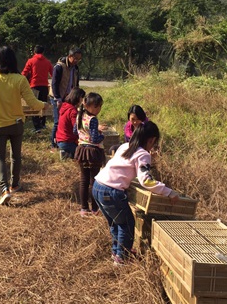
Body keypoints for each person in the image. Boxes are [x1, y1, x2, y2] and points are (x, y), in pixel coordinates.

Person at [92, 122, 179, 266]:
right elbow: (146, 181)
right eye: (154, 143)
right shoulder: (143, 154)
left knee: (115, 222)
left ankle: (117, 251)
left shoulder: (125, 146)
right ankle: (121, 259)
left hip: (98, 186)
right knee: (126, 224)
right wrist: (169, 192)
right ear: (151, 140)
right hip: (111, 191)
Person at [0, 46, 48, 205]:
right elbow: (32, 103)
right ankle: (15, 184)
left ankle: (4, 189)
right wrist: (43, 105)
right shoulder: (20, 79)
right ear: (14, 60)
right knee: (16, 156)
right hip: (17, 124)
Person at [73, 92, 106, 216]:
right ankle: (95, 208)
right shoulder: (93, 119)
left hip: (81, 150)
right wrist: (101, 135)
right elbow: (94, 139)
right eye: (96, 106)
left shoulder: (79, 115)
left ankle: (83, 208)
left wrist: (88, 133)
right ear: (87, 106)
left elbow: (75, 130)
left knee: (84, 180)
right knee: (94, 181)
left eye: (100, 106)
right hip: (93, 153)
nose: (98, 109)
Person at [49, 47, 82, 150]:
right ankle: (53, 143)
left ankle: (63, 141)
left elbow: (76, 83)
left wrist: (76, 97)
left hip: (69, 98)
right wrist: (58, 98)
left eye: (79, 59)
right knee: (57, 121)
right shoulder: (59, 67)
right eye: (75, 58)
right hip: (57, 97)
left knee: (66, 121)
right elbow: (54, 84)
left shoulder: (75, 68)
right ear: (69, 56)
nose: (77, 61)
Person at [21, 45, 53, 133]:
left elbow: (24, 73)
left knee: (34, 105)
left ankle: (37, 127)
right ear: (43, 52)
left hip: (34, 85)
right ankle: (43, 124)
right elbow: (53, 74)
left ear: (34, 52)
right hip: (44, 85)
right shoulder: (47, 62)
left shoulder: (31, 61)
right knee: (44, 105)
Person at [56, 87, 86, 160]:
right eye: (82, 98)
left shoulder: (65, 106)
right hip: (68, 141)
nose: (82, 101)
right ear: (78, 98)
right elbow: (77, 129)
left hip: (60, 139)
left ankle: (66, 152)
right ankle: (68, 153)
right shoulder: (73, 111)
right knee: (86, 152)